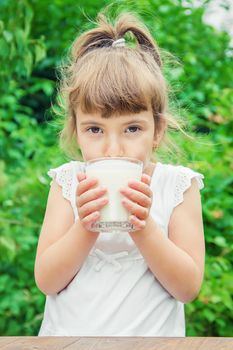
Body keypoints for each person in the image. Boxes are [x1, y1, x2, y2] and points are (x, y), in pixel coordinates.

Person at [34, 10, 205, 337]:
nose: (113, 148)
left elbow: (188, 288)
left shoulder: (177, 186)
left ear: (156, 131)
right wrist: (86, 226)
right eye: (95, 129)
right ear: (76, 131)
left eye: (132, 129)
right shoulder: (68, 183)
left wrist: (144, 229)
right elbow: (47, 280)